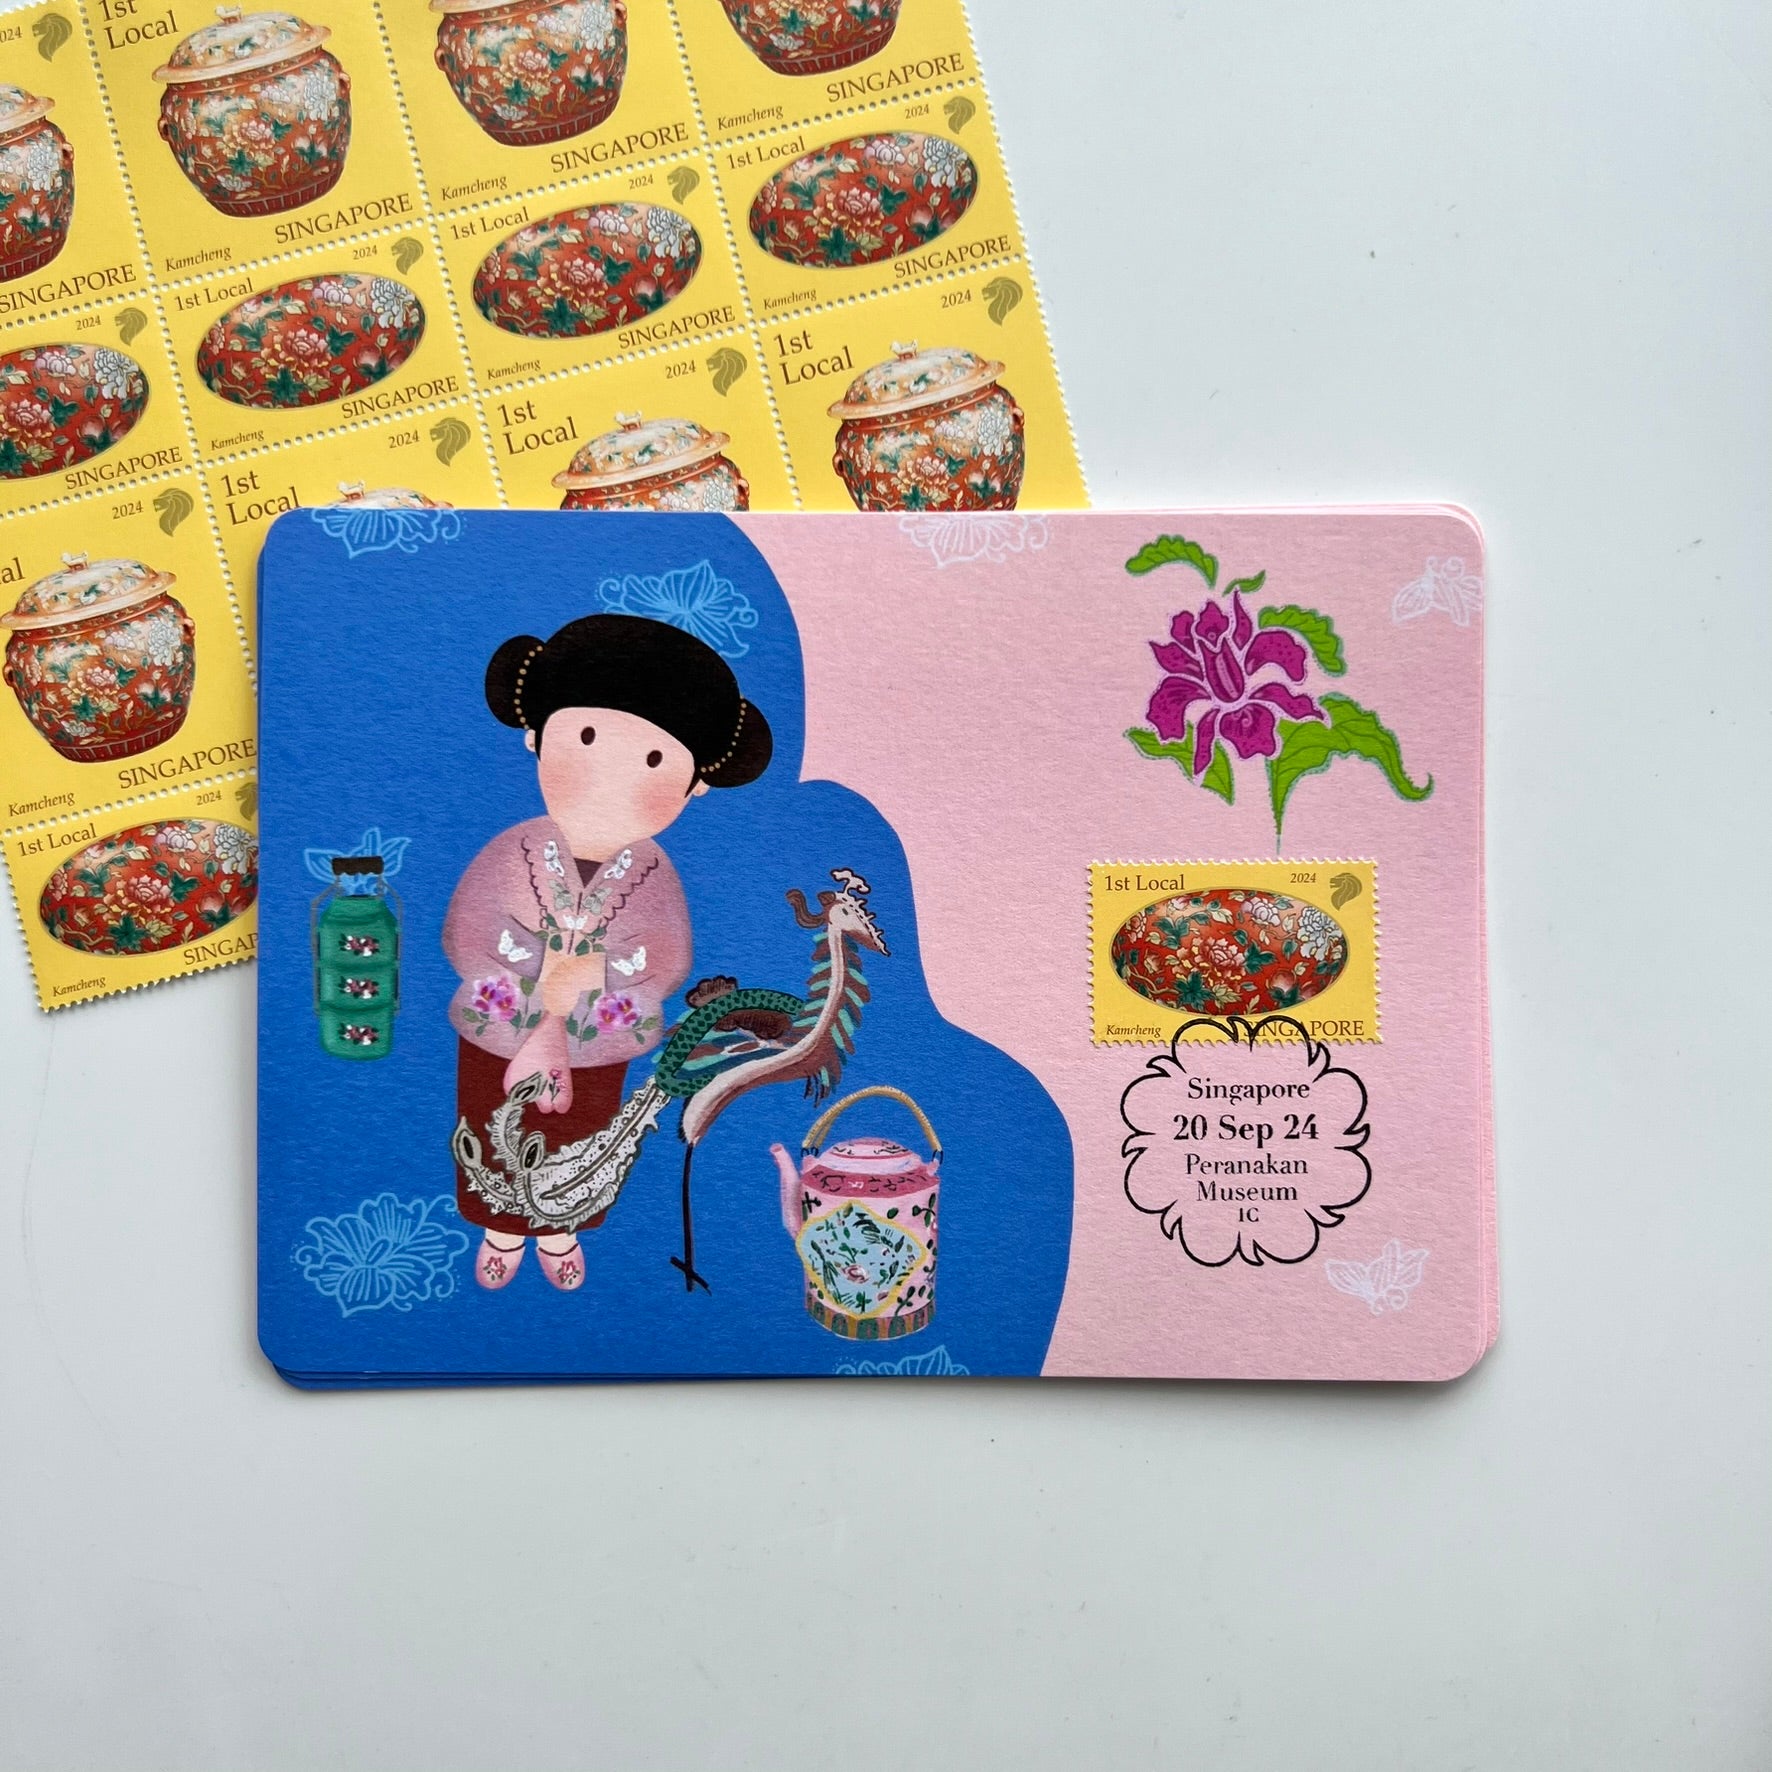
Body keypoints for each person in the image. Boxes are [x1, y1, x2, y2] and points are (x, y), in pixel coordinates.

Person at [442, 614, 772, 1292]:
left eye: (653, 761)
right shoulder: (514, 850)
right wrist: (539, 969)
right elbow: (470, 929)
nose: (607, 775)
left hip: (599, 1040)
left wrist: (595, 971)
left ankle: (558, 1228)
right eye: (586, 738)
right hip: (499, 1028)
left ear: (695, 786)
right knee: (491, 1125)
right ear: (536, 738)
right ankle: (501, 1227)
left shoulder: (653, 874)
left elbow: (664, 954)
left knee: (579, 1134)